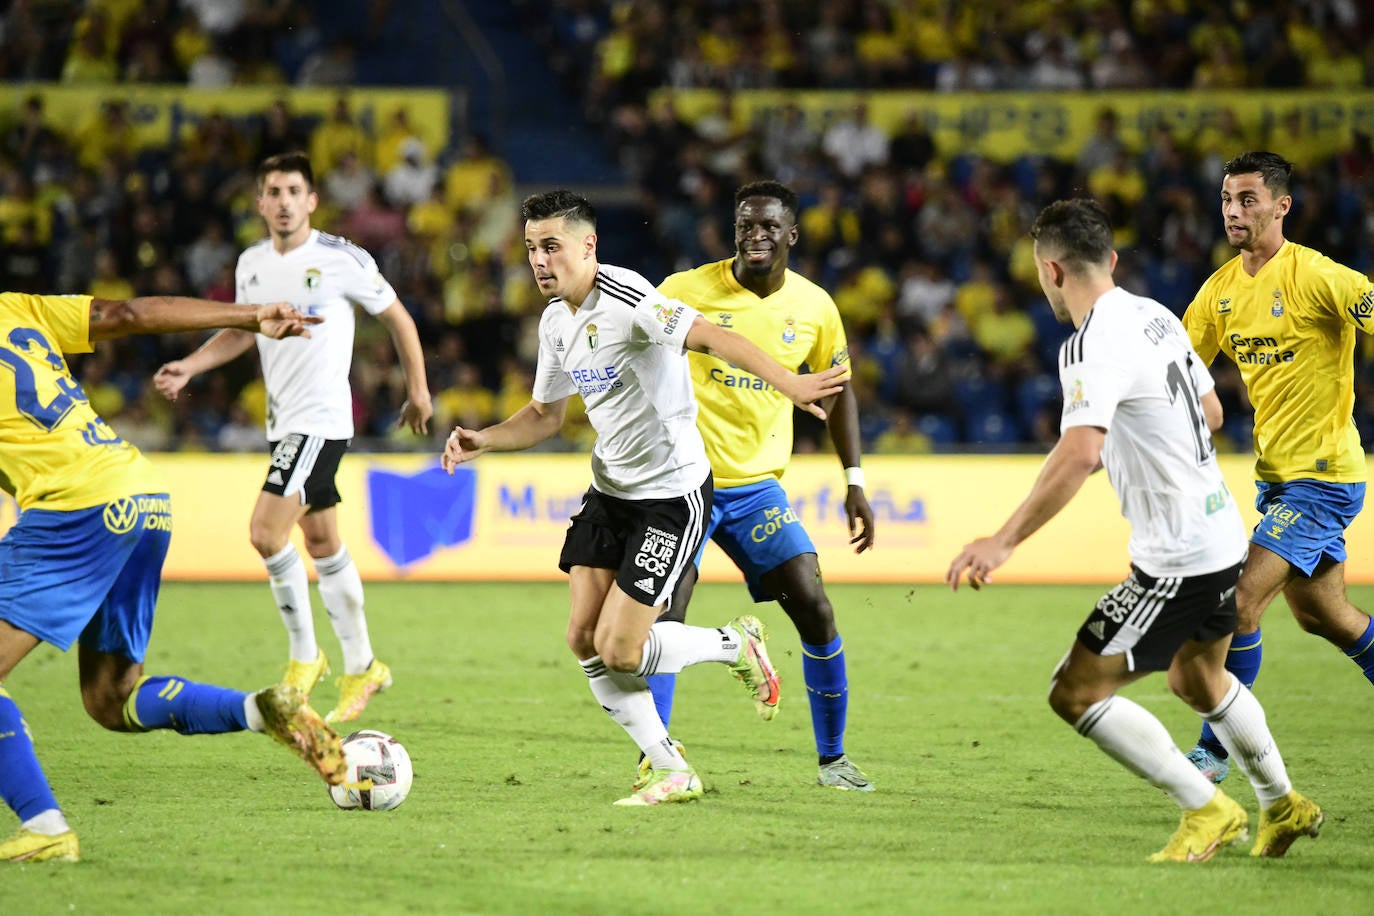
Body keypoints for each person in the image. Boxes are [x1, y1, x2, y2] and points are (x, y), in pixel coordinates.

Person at [440, 189, 848, 806]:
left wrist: (789, 383)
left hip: (670, 495)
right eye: (530, 249)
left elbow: (710, 337)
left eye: (552, 246)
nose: (539, 261)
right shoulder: (555, 323)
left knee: (622, 650)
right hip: (610, 491)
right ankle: (669, 767)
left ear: (588, 246)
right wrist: (486, 440)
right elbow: (546, 415)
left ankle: (735, 644)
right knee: (583, 638)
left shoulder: (628, 297)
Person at [946, 198, 1321, 862]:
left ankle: (1206, 809)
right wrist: (1142, 450)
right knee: (1198, 682)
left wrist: (1000, 541)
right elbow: (1208, 412)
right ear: (1112, 262)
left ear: (1051, 271)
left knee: (1075, 690)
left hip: (1177, 558)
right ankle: (1283, 804)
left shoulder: (1088, 343)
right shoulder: (1154, 315)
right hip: (1222, 536)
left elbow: (1080, 451)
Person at [0, 291, 346, 865]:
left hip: (76, 505)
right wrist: (251, 316)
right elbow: (128, 315)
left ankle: (45, 827)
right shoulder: (15, 308)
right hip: (140, 493)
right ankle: (262, 710)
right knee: (113, 698)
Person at [153, 151, 433, 725]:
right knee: (324, 543)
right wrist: (190, 365)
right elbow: (240, 332)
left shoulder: (340, 259)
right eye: (273, 192)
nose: (283, 202)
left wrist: (419, 391)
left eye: (293, 191)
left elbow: (399, 318)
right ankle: (364, 665)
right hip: (284, 425)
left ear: (311, 201)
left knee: (263, 531)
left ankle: (306, 657)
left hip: (320, 421)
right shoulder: (252, 262)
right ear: (260, 203)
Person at [651, 180, 877, 792]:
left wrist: (853, 480)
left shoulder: (814, 308)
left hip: (756, 491)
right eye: (745, 224)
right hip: (683, 486)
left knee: (815, 607)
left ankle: (833, 759)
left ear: (791, 234)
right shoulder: (685, 290)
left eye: (769, 226)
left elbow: (840, 389)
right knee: (664, 617)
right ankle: (657, 758)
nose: (756, 234)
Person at [1179, 151, 1374, 784]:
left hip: (1325, 477)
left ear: (1281, 205)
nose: (1234, 211)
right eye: (1228, 200)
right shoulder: (1221, 291)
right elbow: (1180, 367)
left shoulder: (1318, 276)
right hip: (1277, 482)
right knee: (1326, 616)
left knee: (1238, 604)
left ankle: (1214, 751)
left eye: (1248, 200)